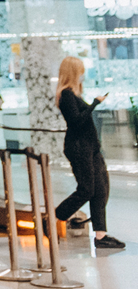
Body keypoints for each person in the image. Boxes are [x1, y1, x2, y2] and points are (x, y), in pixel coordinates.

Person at [55, 57, 123, 250]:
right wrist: (94, 103)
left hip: (90, 148)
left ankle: (101, 235)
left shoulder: (74, 95)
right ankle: (55, 217)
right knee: (87, 190)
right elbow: (76, 121)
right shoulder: (66, 95)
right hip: (79, 148)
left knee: (100, 190)